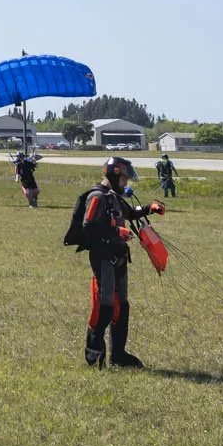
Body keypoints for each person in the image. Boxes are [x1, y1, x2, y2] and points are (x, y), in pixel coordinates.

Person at [64, 157, 164, 369]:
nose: (126, 183)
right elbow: (89, 225)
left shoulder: (114, 198)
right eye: (125, 179)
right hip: (103, 257)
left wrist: (150, 208)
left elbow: (131, 213)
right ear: (115, 175)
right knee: (105, 306)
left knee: (122, 307)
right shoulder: (98, 197)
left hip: (119, 256)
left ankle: (118, 355)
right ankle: (93, 352)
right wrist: (116, 231)